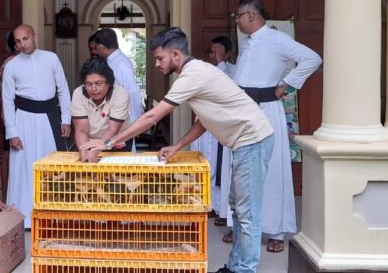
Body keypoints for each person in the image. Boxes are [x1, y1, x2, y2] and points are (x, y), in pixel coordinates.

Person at [81, 27, 274, 273]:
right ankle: (236, 266)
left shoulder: (192, 75)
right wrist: (177, 145)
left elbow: (152, 117)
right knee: (238, 208)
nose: (158, 64)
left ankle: (245, 270)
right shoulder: (198, 72)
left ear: (175, 54)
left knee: (247, 213)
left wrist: (108, 142)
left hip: (253, 140)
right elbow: (205, 119)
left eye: (160, 58)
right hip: (245, 142)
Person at [231, 0, 322, 253]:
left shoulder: (276, 39)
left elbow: (312, 59)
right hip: (243, 110)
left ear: (250, 15)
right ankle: (243, 227)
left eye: (238, 16)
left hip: (266, 110)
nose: (236, 21)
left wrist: (288, 84)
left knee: (271, 170)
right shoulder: (248, 44)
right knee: (241, 169)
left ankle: (276, 231)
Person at [2, 24, 71, 228]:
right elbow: (7, 100)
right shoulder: (11, 66)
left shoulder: (51, 58)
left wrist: (66, 118)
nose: (22, 44)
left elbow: (63, 89)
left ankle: (54, 216)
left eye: (26, 38)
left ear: (35, 37)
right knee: (23, 167)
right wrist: (12, 133)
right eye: (18, 41)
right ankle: (23, 219)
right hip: (23, 119)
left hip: (50, 118)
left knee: (51, 165)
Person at [192, 36, 237, 230]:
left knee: (221, 169)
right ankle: (208, 205)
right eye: (211, 52)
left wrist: (221, 62)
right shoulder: (203, 71)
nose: (213, 56)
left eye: (218, 51)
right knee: (206, 165)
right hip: (204, 124)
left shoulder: (234, 71)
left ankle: (221, 209)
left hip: (223, 124)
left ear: (227, 53)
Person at [71, 58, 132, 163]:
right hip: (88, 144)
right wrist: (84, 157)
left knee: (115, 177)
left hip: (116, 144)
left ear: (109, 82)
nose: (93, 88)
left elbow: (112, 130)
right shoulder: (78, 93)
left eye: (98, 83)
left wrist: (96, 151)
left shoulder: (120, 94)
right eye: (89, 84)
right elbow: (81, 130)